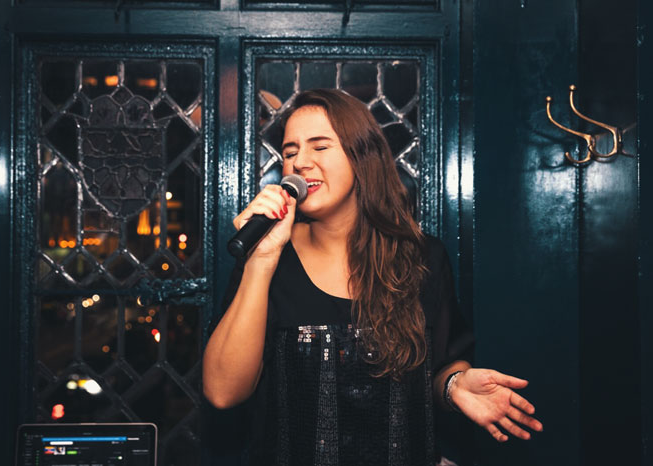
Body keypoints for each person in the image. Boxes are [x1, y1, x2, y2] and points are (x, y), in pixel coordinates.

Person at [203, 89, 542, 466]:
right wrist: (262, 261)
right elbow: (222, 392)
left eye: (320, 146)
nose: (300, 162)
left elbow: (442, 366)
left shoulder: (422, 257)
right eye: (290, 151)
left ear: (361, 156)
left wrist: (454, 386)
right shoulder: (267, 255)